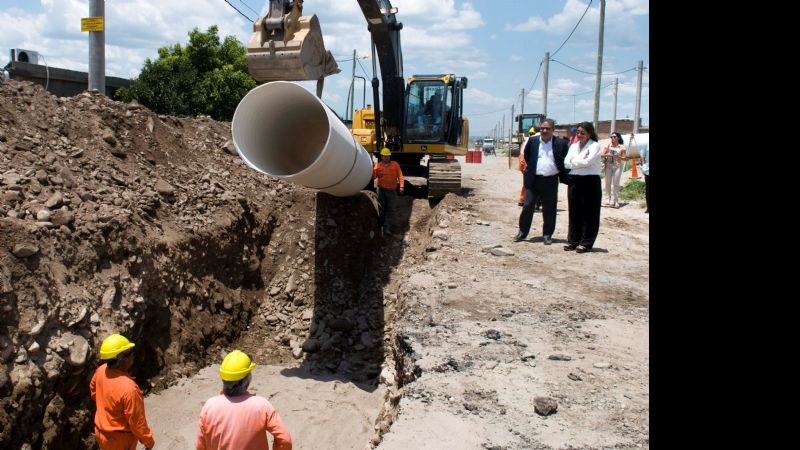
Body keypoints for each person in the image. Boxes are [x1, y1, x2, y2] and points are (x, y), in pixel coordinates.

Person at [196, 350, 292, 450]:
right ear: (247, 380)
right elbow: (285, 439)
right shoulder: (262, 405)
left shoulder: (209, 406)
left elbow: (200, 445)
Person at [90, 333, 155, 450]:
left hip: (101, 433)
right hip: (119, 440)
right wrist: (148, 441)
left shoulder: (100, 371)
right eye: (130, 352)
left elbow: (94, 392)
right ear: (121, 359)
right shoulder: (129, 389)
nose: (133, 355)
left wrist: (108, 407)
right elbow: (137, 423)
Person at [514, 119, 569, 245]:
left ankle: (547, 235)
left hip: (551, 180)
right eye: (542, 128)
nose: (544, 131)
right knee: (527, 205)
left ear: (552, 130)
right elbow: (527, 156)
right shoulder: (533, 141)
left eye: (547, 129)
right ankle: (522, 232)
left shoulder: (560, 143)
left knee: (549, 208)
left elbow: (564, 160)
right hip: (534, 179)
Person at [563, 122, 603, 254]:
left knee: (589, 213)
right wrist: (579, 161)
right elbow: (566, 163)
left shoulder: (595, 146)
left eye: (582, 133)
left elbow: (588, 162)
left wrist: (574, 161)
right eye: (578, 132)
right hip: (575, 180)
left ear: (589, 133)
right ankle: (573, 240)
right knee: (574, 212)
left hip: (590, 181)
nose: (579, 135)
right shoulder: (573, 146)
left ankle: (586, 242)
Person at [373, 148, 404, 235]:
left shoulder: (395, 165)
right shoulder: (378, 166)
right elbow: (374, 177)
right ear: (381, 157)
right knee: (382, 207)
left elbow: (400, 176)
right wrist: (373, 170)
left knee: (391, 208)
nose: (386, 158)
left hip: (391, 190)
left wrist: (401, 186)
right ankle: (382, 224)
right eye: (384, 156)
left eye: (388, 156)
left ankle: (387, 227)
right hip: (381, 190)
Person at [601, 132, 627, 208]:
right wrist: (607, 154)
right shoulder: (608, 146)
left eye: (614, 137)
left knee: (616, 184)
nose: (612, 138)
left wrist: (618, 156)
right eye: (611, 137)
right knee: (607, 183)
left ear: (618, 138)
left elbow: (625, 158)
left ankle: (616, 201)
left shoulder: (622, 147)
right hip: (608, 166)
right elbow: (602, 155)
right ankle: (607, 200)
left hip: (617, 166)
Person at [638, 137, 649, 213]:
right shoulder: (647, 144)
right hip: (648, 170)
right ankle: (648, 208)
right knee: (648, 189)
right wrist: (643, 166)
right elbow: (642, 155)